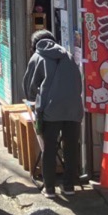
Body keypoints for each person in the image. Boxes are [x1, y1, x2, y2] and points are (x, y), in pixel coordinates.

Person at [23, 29, 84, 198]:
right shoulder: (69, 56)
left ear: (34, 44)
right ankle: (69, 186)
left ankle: (49, 188)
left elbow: (30, 86)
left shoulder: (37, 57)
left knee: (49, 148)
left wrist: (36, 100)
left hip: (50, 111)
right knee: (71, 148)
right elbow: (78, 82)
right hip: (73, 108)